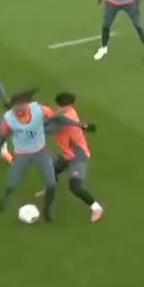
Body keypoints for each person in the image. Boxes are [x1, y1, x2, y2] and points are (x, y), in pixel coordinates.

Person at [0, 91, 85, 219]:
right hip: (22, 154)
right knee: (12, 181)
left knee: (51, 183)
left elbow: (59, 119)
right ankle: (4, 199)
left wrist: (81, 125)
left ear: (27, 104)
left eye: (22, 106)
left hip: (41, 152)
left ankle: (47, 210)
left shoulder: (39, 110)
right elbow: (1, 140)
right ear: (13, 106)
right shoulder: (8, 120)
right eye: (17, 108)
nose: (20, 110)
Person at [50, 91, 104, 221]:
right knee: (50, 171)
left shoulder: (67, 119)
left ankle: (97, 208)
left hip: (78, 157)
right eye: (58, 106)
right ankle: (51, 189)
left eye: (62, 106)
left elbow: (50, 128)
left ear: (69, 106)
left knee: (75, 187)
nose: (59, 108)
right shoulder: (67, 113)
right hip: (67, 154)